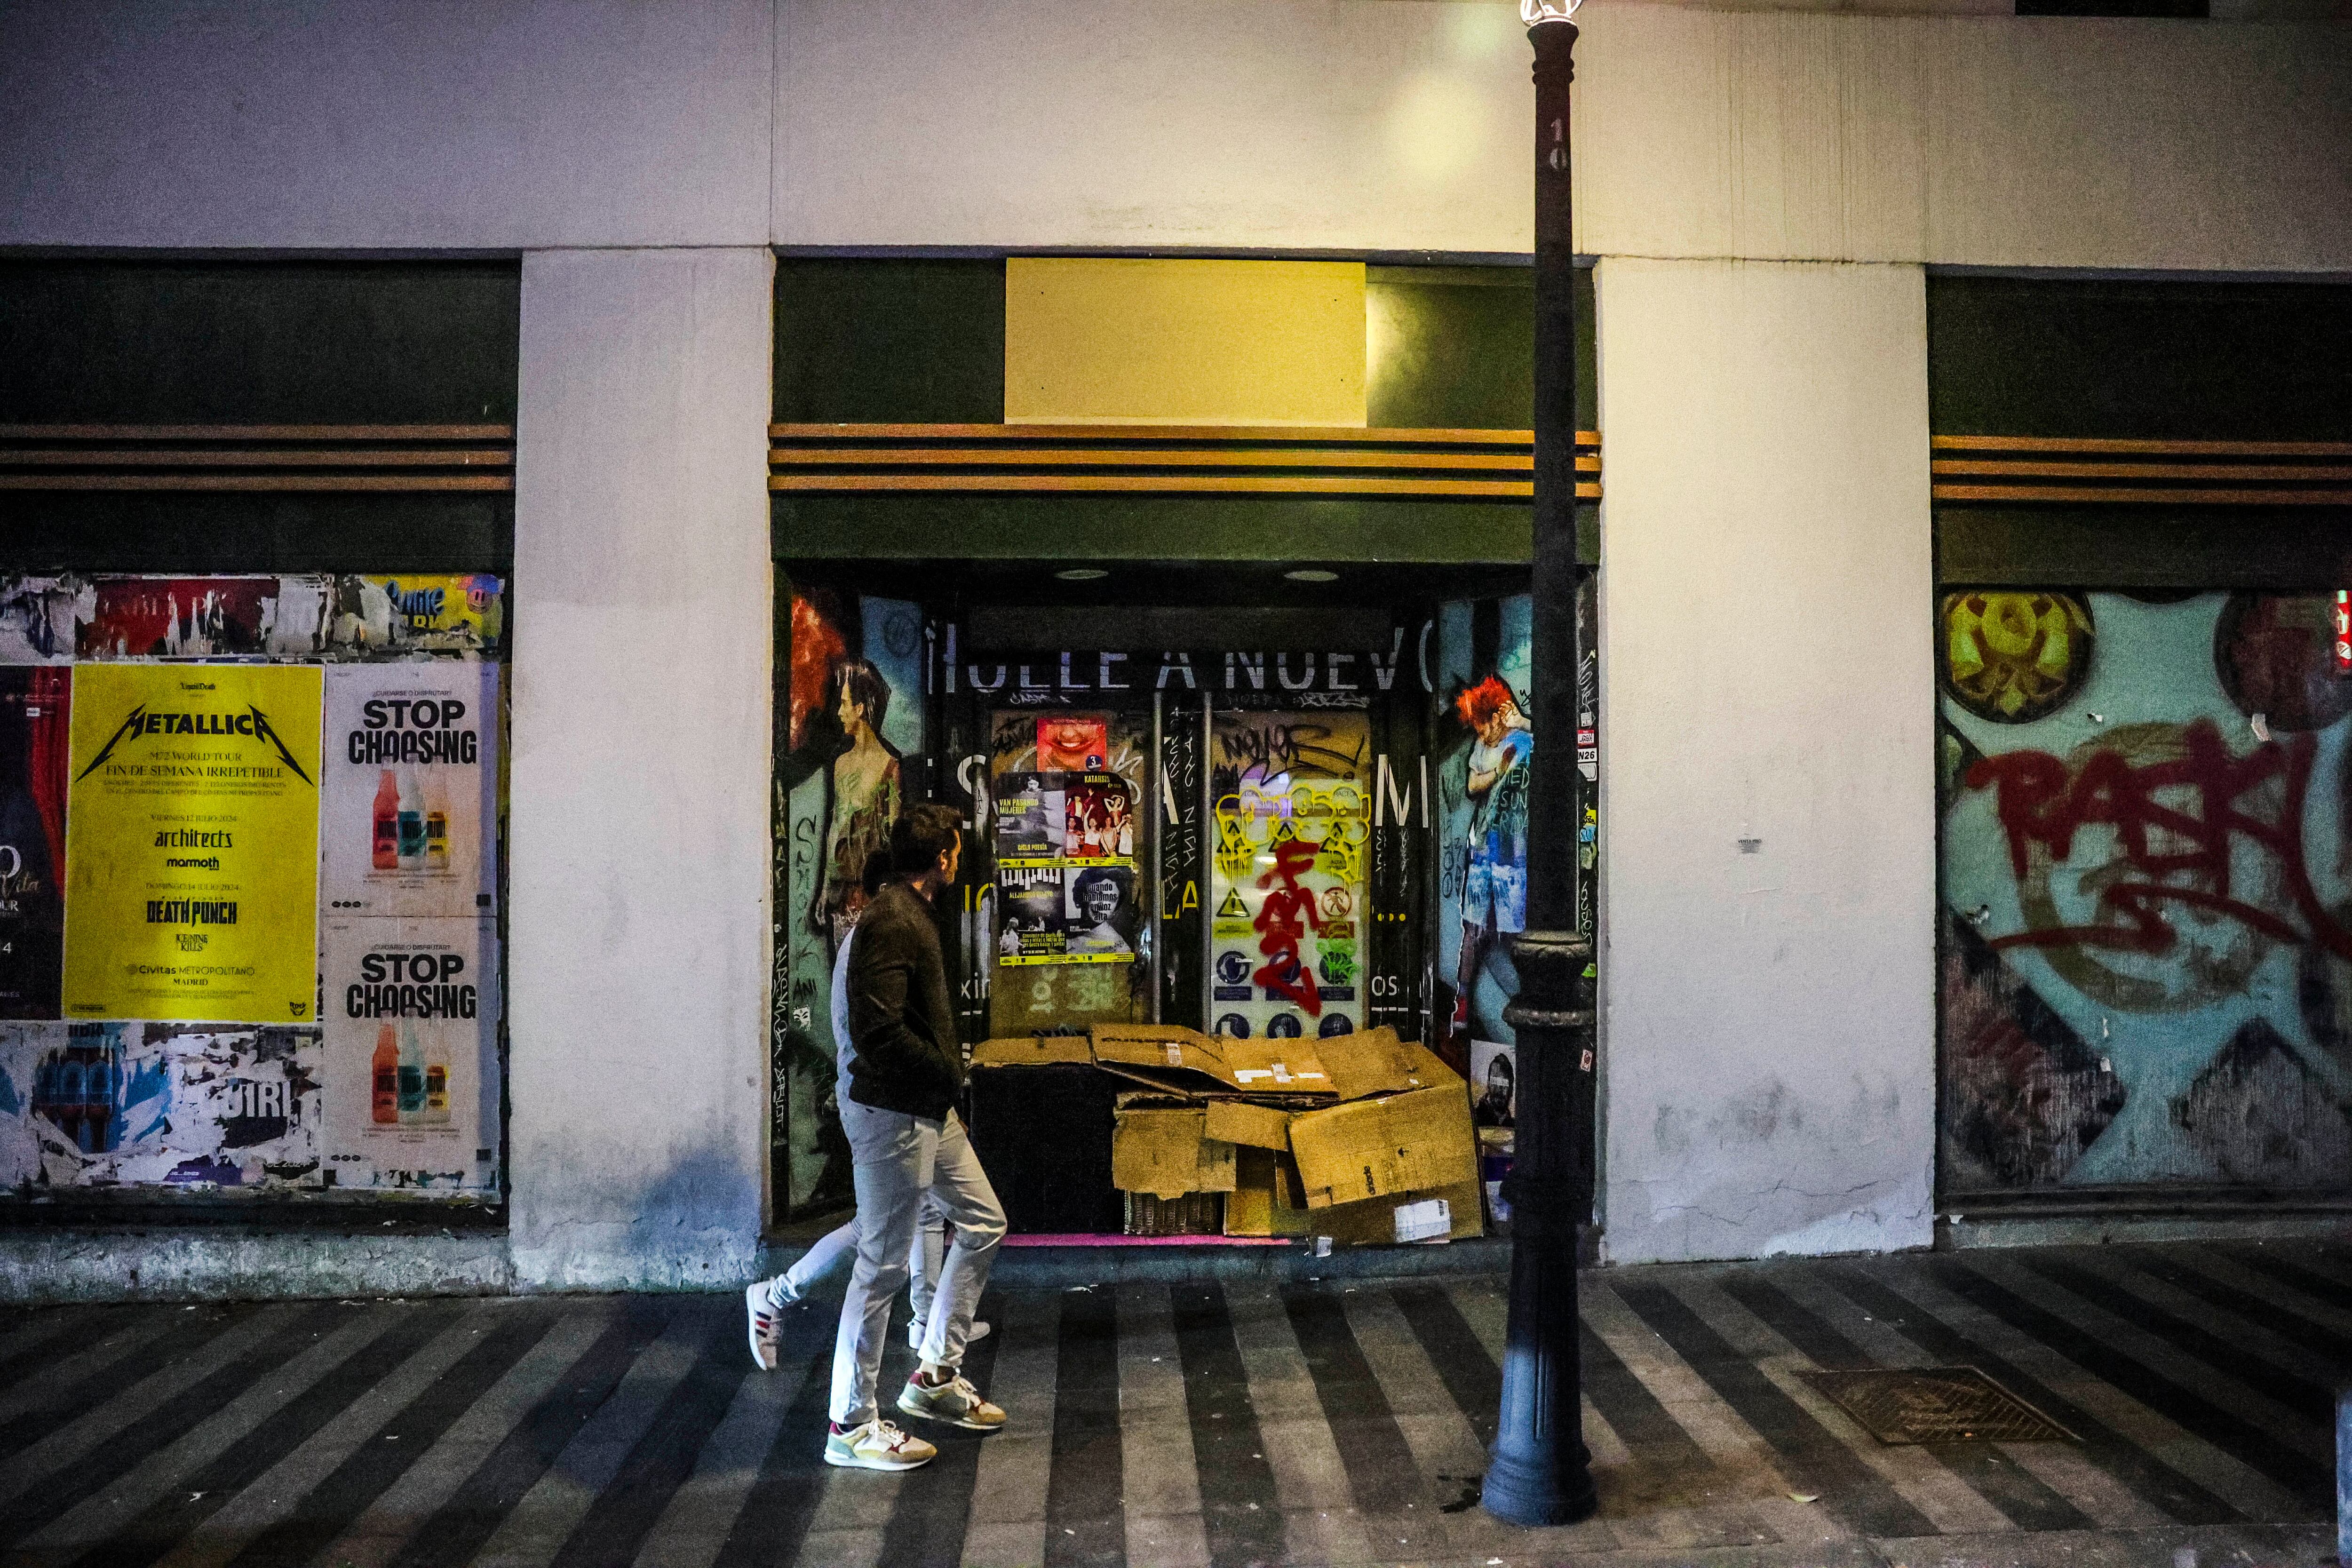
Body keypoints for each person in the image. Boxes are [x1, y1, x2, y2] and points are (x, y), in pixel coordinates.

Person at [746, 851, 990, 1374]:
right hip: (887, 1109)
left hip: (906, 1106)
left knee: (920, 1221)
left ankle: (925, 1321)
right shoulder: (877, 942)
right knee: (877, 1242)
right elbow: (872, 1041)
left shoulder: (883, 937)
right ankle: (777, 1297)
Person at [825, 804, 1008, 1471]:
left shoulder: (906, 914)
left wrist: (943, 1083)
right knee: (882, 1267)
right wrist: (947, 1071)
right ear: (944, 858)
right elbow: (878, 1036)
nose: (960, 862)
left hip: (926, 1108)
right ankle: (849, 1423)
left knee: (984, 1221)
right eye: (957, 852)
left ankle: (933, 1378)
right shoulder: (891, 921)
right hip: (894, 1113)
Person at [1449, 676, 1533, 1057]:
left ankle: (1530, 999)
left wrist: (1524, 724)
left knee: (1514, 929)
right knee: (1475, 927)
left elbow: (1571, 735)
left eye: (1483, 722)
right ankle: (1463, 1002)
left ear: (1499, 715)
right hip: (1484, 844)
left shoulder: (1524, 740)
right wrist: (1497, 771)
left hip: (1512, 847)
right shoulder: (1484, 747)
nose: (1479, 731)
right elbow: (1472, 784)